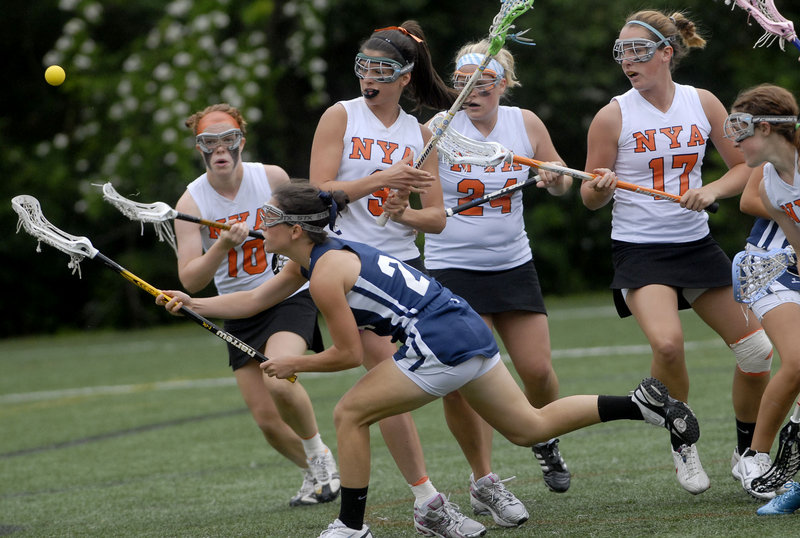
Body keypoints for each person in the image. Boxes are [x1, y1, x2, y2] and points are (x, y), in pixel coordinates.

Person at [156, 182, 702, 538]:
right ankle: (642, 403)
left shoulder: (324, 274)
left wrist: (295, 365)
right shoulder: (311, 262)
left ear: (294, 230)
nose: (262, 225)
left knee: (350, 414)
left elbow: (348, 355)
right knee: (528, 426)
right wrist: (191, 301)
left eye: (270, 218)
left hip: (440, 340)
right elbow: (254, 300)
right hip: (461, 325)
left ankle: (351, 527)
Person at [580, 10, 772, 495]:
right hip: (641, 251)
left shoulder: (702, 102)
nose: (628, 60)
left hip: (696, 243)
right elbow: (589, 195)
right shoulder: (613, 115)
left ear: (667, 52)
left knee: (757, 351)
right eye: (621, 51)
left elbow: (743, 169)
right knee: (666, 345)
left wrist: (710, 192)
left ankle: (747, 453)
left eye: (638, 50)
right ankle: (682, 442)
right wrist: (601, 189)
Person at [308, 21, 488, 536]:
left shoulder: (421, 133)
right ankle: (427, 500)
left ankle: (486, 479)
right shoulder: (340, 116)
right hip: (352, 270)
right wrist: (381, 180)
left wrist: (401, 212)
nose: (371, 76)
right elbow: (318, 190)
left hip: (406, 271)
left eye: (383, 69)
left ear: (406, 78)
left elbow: (436, 218)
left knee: (457, 377)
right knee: (387, 383)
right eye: (364, 65)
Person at [422, 39, 572, 521]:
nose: (473, 91)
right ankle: (481, 478)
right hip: (453, 266)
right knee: (465, 378)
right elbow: (427, 207)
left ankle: (545, 438)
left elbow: (562, 174)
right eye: (463, 83)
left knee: (537, 370)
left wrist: (555, 176)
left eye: (484, 82)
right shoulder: (437, 129)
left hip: (512, 262)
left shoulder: (524, 122)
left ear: (503, 83)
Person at [175, 104, 339, 506]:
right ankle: (316, 476)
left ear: (240, 142)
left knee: (277, 377)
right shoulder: (191, 203)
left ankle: (320, 453)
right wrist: (223, 247)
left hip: (286, 292)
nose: (220, 148)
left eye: (227, 139)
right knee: (267, 421)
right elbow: (191, 279)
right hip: (237, 306)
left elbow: (310, 227)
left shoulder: (272, 178)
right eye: (209, 141)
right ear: (200, 148)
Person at [725, 83, 800, 500]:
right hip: (771, 271)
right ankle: (755, 455)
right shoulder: (770, 187)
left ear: (768, 129)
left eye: (743, 132)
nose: (737, 144)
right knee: (797, 361)